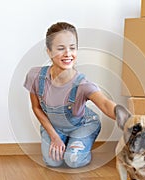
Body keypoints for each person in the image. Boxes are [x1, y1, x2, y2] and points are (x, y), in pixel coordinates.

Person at [24, 22, 116, 168]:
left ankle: (79, 145)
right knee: (52, 161)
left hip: (82, 124)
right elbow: (37, 108)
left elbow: (105, 104)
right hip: (55, 127)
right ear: (49, 51)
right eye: (60, 48)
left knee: (73, 161)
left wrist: (129, 119)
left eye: (72, 48)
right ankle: (68, 142)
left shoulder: (83, 84)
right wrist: (54, 137)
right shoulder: (35, 76)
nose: (68, 53)